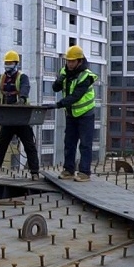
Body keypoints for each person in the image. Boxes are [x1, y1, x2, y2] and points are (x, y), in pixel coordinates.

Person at [0, 50, 40, 180]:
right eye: (6, 63)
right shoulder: (1, 78)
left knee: (29, 145)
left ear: (16, 63)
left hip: (21, 118)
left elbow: (25, 88)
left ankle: (34, 172)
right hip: (8, 118)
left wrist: (22, 99)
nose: (7, 65)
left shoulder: (22, 77)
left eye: (10, 62)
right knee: (2, 145)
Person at [52, 45, 98, 182]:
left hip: (86, 114)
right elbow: (55, 88)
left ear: (79, 61)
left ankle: (84, 172)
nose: (69, 64)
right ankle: (69, 170)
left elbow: (76, 96)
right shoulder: (65, 72)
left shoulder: (86, 76)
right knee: (69, 143)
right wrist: (60, 79)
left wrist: (58, 104)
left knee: (85, 144)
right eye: (68, 61)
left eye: (72, 61)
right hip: (71, 114)